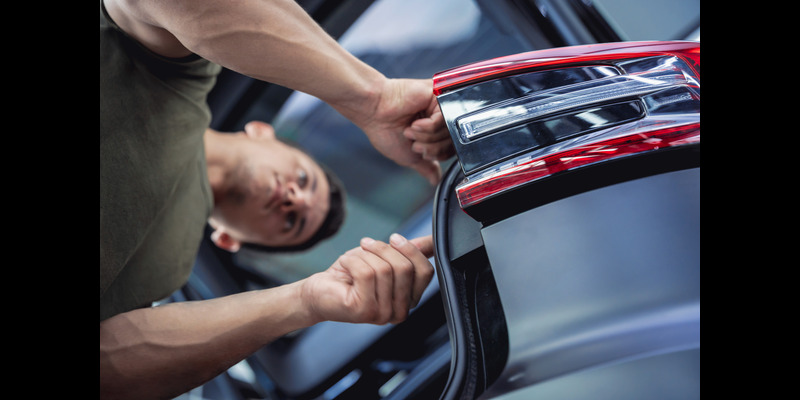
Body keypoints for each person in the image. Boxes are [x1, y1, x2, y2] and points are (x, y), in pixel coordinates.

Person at [99, 0, 453, 398]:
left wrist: (305, 301)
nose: (295, 199)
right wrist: (371, 99)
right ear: (263, 132)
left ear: (230, 240)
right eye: (304, 179)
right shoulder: (176, 78)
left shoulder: (165, 273)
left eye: (291, 223)